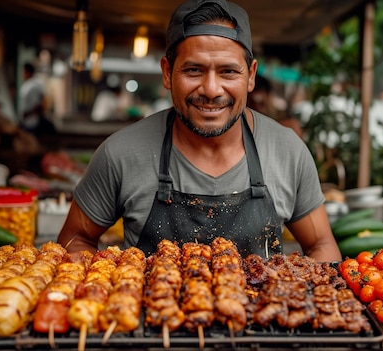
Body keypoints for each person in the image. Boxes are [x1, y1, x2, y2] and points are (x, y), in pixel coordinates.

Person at [57, 0, 341, 262]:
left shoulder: (287, 151)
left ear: (251, 76)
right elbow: (76, 239)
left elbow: (321, 246)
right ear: (167, 73)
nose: (211, 90)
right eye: (193, 70)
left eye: (229, 72)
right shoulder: (120, 154)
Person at [18, 62, 55, 137]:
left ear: (27, 72)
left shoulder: (36, 85)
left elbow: (42, 103)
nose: (22, 75)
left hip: (34, 122)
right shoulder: (26, 85)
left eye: (23, 72)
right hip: (27, 122)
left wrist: (29, 114)